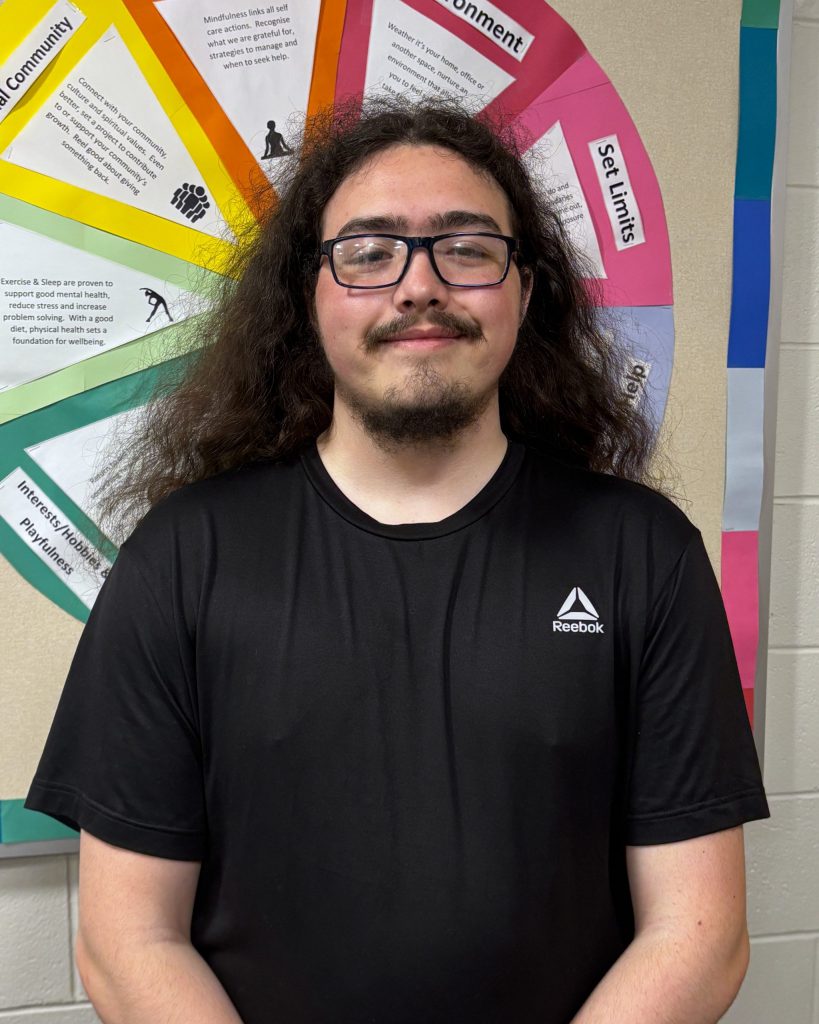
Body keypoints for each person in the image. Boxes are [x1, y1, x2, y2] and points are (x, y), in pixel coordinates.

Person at [26, 96, 769, 1024]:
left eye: (465, 247)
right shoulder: (185, 556)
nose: (419, 286)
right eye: (369, 252)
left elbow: (699, 936)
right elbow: (128, 942)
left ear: (525, 291)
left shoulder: (641, 555)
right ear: (310, 294)